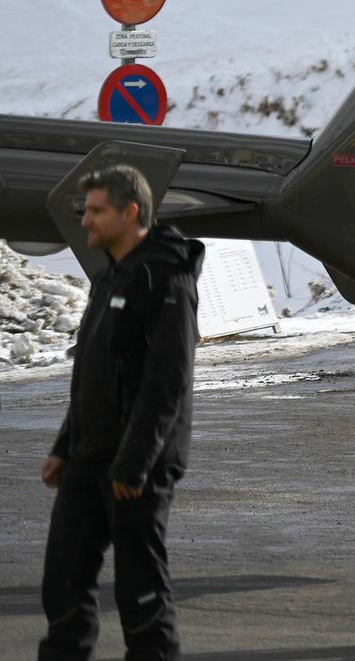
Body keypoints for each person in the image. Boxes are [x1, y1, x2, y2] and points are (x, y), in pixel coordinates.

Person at [40, 165, 204, 661]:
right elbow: (93, 371)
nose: (85, 221)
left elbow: (167, 380)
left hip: (138, 467)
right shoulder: (110, 275)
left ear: (130, 212)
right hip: (89, 461)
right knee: (62, 582)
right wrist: (65, 447)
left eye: (96, 211)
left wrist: (135, 463)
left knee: (140, 595)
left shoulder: (165, 276)